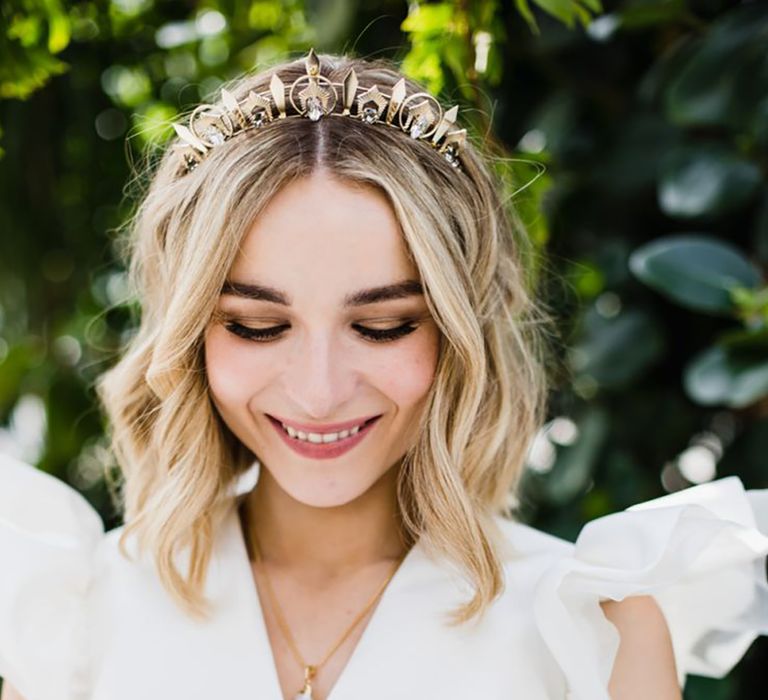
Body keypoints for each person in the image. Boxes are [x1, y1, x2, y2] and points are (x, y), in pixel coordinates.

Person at [1, 48, 767, 700]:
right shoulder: (75, 609)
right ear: (189, 334)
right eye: (258, 326)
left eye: (383, 325)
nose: (320, 389)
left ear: (459, 331)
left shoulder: (592, 627)